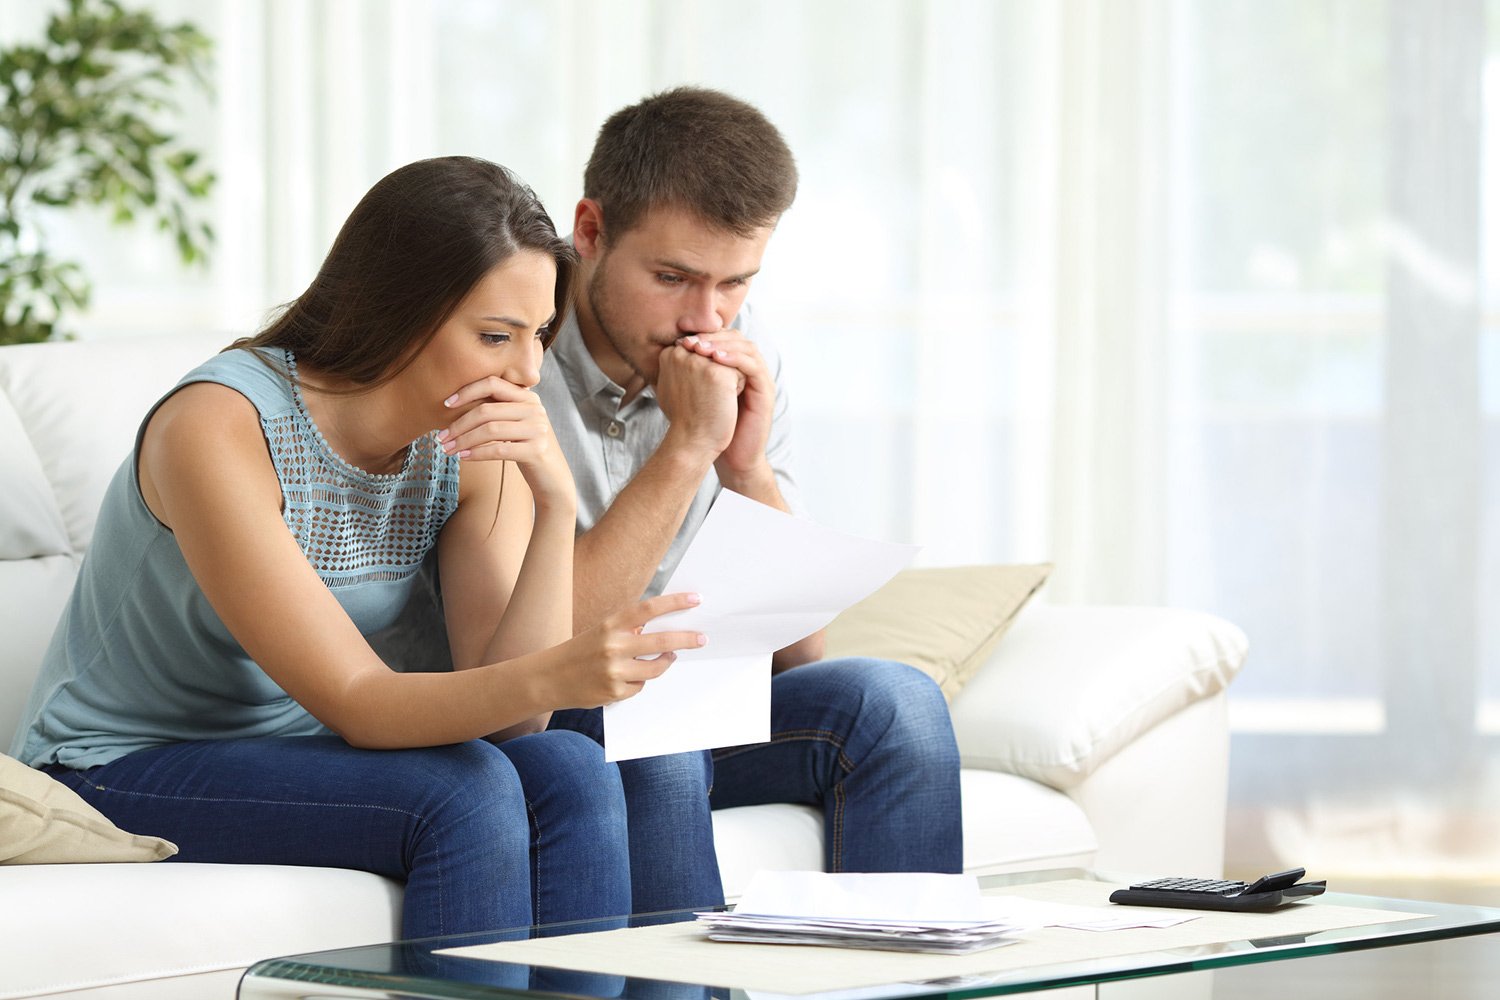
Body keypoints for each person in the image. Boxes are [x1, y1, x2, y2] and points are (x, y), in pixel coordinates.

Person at [8, 156, 711, 941]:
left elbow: (515, 719)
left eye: (539, 334)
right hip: (119, 765)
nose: (526, 370)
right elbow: (360, 701)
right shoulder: (218, 426)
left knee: (578, 766)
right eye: (493, 335)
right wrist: (562, 667)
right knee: (468, 791)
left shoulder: (472, 439)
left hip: (305, 749)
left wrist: (553, 505)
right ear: (397, 311)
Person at [539, 87, 964, 886]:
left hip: (697, 704)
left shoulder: (743, 346)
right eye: (673, 276)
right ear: (590, 232)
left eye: (736, 283)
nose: (706, 318)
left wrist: (745, 466)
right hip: (560, 702)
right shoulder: (508, 343)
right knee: (651, 739)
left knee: (895, 702)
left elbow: (800, 656)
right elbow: (542, 646)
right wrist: (687, 448)